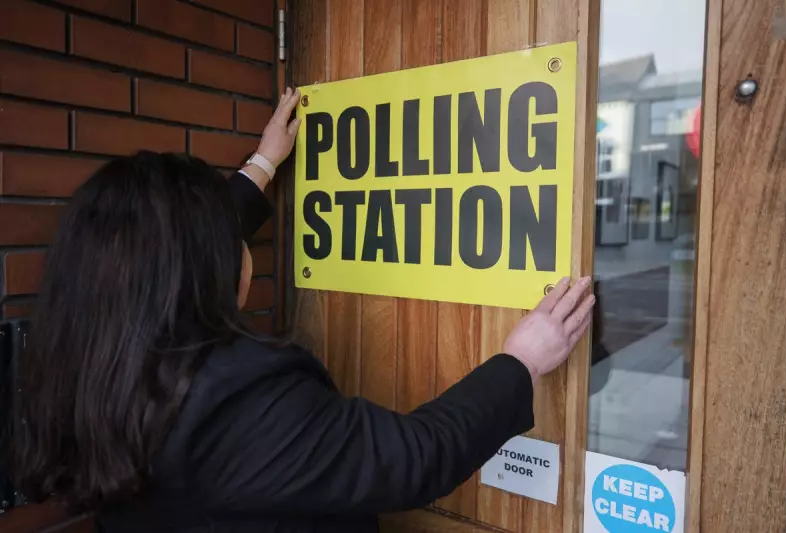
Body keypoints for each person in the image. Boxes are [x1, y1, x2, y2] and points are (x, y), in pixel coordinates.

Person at [12, 88, 595, 533]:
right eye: (227, 240)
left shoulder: (87, 363)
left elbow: (163, 247)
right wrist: (522, 360)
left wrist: (264, 164)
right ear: (204, 269)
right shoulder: (236, 406)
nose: (239, 245)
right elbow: (417, 458)